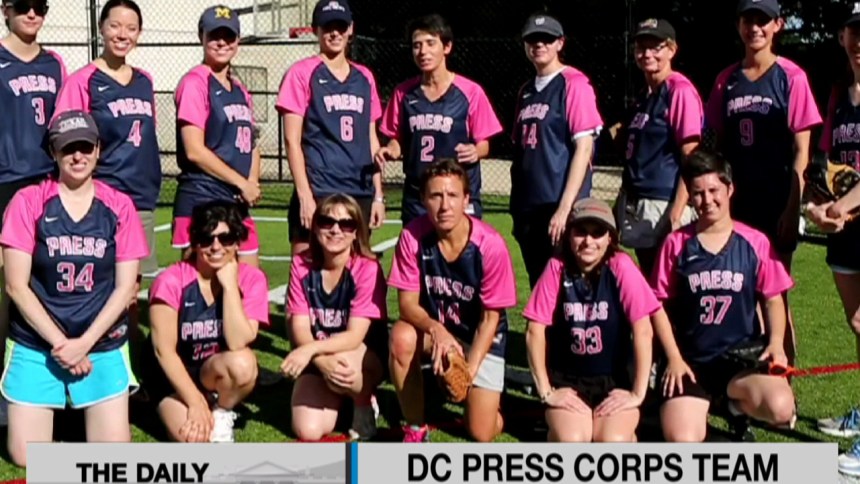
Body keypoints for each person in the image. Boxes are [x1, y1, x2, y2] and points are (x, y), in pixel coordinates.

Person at [0, 110, 147, 466]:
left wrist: (84, 344)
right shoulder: (28, 202)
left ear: (98, 149)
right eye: (68, 148)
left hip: (100, 343)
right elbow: (16, 286)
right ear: (53, 152)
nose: (77, 156)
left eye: (85, 146)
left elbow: (125, 288)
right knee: (27, 456)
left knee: (112, 456)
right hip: (38, 343)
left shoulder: (119, 206)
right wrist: (60, 343)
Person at [650, 150, 796, 442]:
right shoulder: (676, 244)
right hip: (691, 361)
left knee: (781, 408)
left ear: (729, 189)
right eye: (697, 193)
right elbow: (657, 306)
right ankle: (716, 407)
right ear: (690, 197)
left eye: (713, 190)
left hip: (740, 360)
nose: (707, 200)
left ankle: (733, 406)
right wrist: (673, 357)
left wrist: (776, 343)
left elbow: (773, 299)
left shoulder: (755, 242)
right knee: (682, 439)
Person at [52, 0, 158, 382]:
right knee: (96, 289)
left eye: (131, 27)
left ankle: (129, 376)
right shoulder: (83, 80)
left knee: (131, 293)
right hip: (101, 199)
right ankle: (86, 369)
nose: (122, 34)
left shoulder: (145, 80)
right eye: (115, 25)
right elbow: (65, 137)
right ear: (101, 28)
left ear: (139, 34)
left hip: (140, 199)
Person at [388, 158, 517, 443]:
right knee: (401, 337)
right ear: (423, 199)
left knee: (481, 432)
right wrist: (438, 330)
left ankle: (493, 402)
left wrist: (468, 371)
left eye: (453, 195)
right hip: (438, 332)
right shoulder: (412, 237)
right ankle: (415, 427)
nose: (444, 205)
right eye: (435, 195)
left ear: (466, 199)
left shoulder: (490, 245)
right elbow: (407, 304)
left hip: (480, 336)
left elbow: (490, 319)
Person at [524, 198, 656, 442]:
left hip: (615, 379)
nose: (588, 241)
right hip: (568, 379)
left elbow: (643, 330)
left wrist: (637, 393)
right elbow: (534, 330)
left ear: (610, 238)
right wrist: (546, 391)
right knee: (572, 439)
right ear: (568, 234)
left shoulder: (621, 266)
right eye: (581, 231)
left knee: (612, 440)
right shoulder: (556, 267)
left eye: (598, 233)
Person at [705, 0, 821, 268]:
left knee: (775, 285)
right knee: (736, 281)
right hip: (735, 199)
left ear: (778, 25)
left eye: (763, 21)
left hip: (776, 200)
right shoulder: (726, 80)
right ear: (738, 26)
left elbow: (801, 150)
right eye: (748, 21)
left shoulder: (792, 77)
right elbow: (714, 146)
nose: (755, 28)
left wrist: (793, 208)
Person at [146, 200, 269, 443]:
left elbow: (238, 342)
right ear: (194, 242)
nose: (216, 246)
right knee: (195, 440)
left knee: (244, 363)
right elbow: (164, 352)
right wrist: (194, 402)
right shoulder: (171, 281)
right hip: (172, 376)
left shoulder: (252, 279)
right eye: (206, 239)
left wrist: (230, 286)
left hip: (212, 371)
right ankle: (181, 403)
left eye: (226, 238)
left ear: (237, 242)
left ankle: (222, 410)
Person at [0, 0, 67, 424]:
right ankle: (5, 385)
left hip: (47, 181)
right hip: (5, 183)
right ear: (5, 10)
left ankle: (44, 377)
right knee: (8, 287)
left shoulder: (55, 62)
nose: (31, 13)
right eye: (22, 5)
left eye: (39, 6)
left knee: (45, 280)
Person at [277, 0, 385, 257]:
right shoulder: (301, 73)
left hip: (359, 190)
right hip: (319, 187)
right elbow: (292, 140)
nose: (335, 33)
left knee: (357, 270)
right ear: (316, 29)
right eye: (327, 27)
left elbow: (371, 139)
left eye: (340, 26)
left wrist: (378, 195)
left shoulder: (365, 77)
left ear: (351, 29)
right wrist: (304, 194)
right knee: (306, 268)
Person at [376, 14, 503, 225]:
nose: (423, 51)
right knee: (418, 245)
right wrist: (390, 150)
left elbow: (484, 144)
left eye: (430, 43)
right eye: (416, 45)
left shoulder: (470, 92)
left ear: (447, 47)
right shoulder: (403, 93)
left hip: (457, 192)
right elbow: (397, 140)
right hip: (418, 196)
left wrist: (475, 151)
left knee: (460, 245)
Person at [282, 194, 387, 442]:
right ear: (315, 227)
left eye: (346, 224)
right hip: (319, 356)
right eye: (327, 222)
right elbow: (300, 327)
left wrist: (310, 352)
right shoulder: (300, 265)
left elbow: (354, 336)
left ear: (356, 232)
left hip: (360, 356)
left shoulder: (367, 268)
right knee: (307, 430)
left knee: (344, 363)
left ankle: (363, 400)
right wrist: (321, 362)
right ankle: (341, 396)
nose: (336, 230)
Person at [510, 12, 604, 289]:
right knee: (538, 283)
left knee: (568, 284)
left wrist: (565, 208)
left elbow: (584, 148)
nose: (539, 45)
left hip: (558, 203)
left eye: (547, 39)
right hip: (529, 207)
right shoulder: (526, 91)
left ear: (560, 43)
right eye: (533, 40)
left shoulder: (574, 83)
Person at [807, 6, 860, 476]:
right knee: (858, 323)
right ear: (842, 37)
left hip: (852, 219)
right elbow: (825, 165)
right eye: (854, 32)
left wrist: (839, 208)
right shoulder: (840, 94)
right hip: (846, 232)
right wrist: (817, 207)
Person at [172, 5, 262, 267]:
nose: (222, 42)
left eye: (229, 36)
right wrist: (242, 183)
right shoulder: (195, 83)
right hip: (202, 197)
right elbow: (194, 150)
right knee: (199, 284)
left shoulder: (240, 89)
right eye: (214, 36)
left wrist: (252, 181)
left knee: (249, 281)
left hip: (236, 200)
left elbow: (252, 142)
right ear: (201, 37)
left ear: (238, 40)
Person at [615, 18, 702, 277]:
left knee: (669, 282)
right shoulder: (644, 96)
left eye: (656, 47)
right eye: (641, 47)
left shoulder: (679, 91)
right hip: (638, 201)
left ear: (672, 50)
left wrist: (676, 212)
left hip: (664, 202)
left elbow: (691, 157)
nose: (647, 54)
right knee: (650, 280)